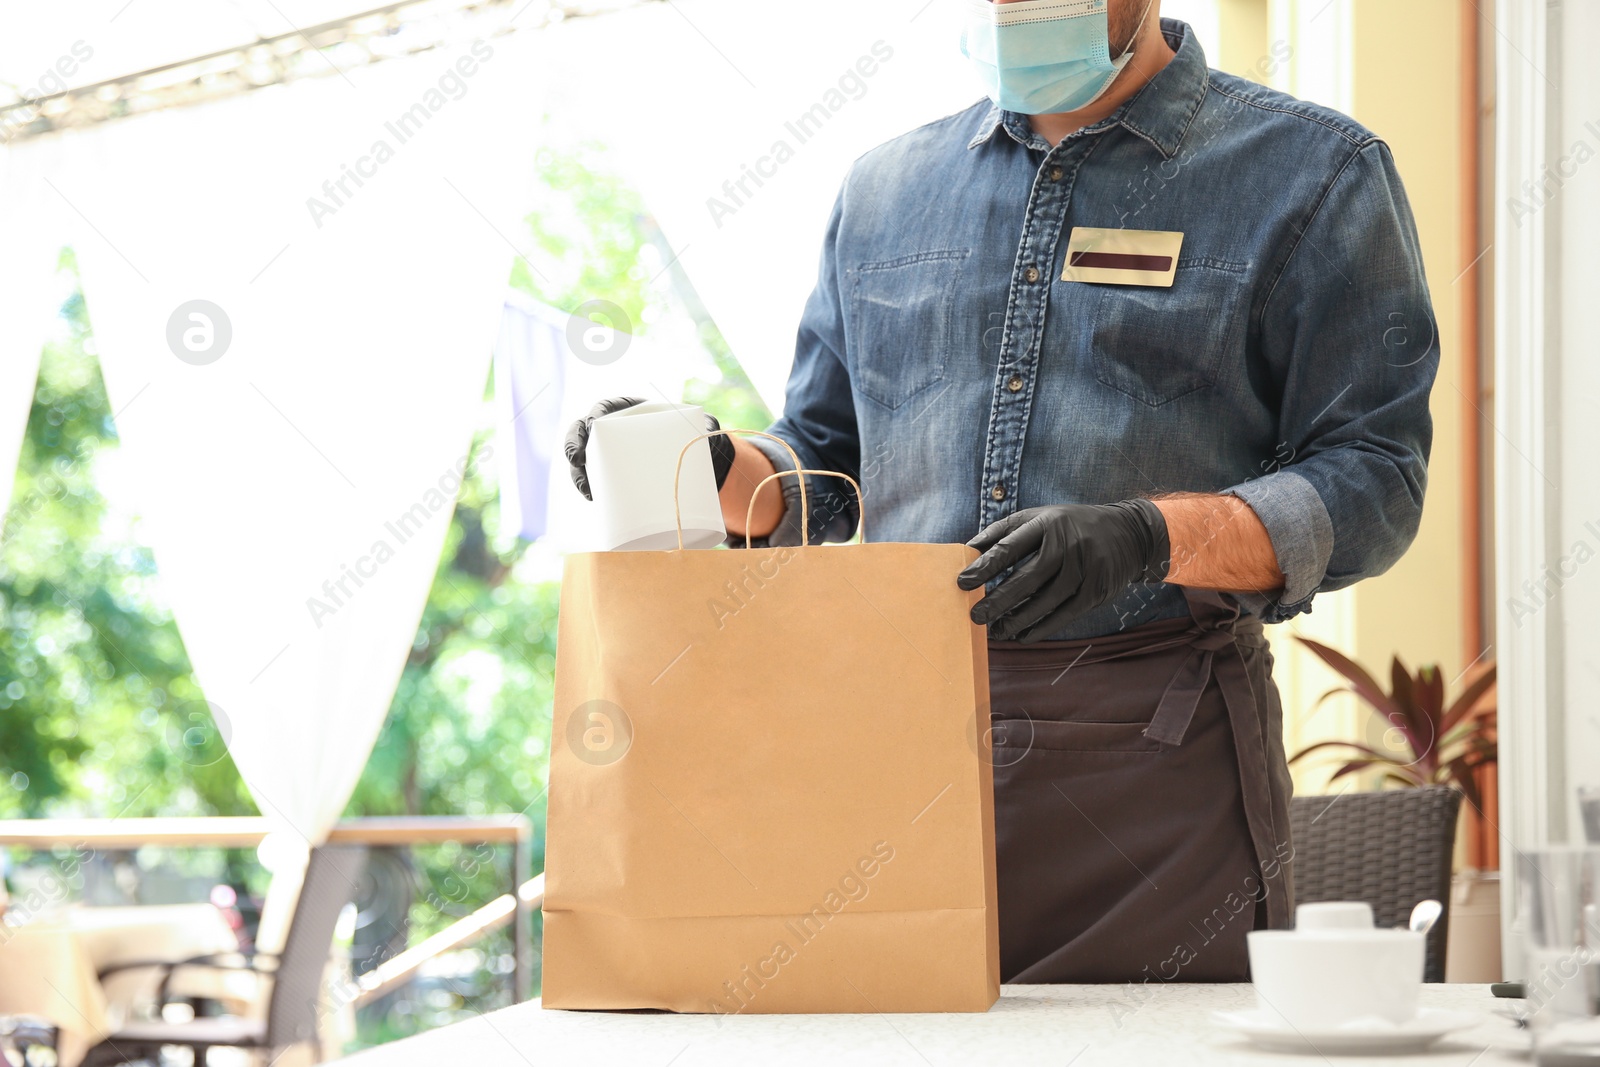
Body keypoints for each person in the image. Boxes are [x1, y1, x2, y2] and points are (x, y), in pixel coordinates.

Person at [565, 0, 1436, 983]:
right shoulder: (883, 191)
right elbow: (826, 470)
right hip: (886, 753)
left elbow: (1375, 479)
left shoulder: (1312, 174)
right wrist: (704, 461)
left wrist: (1151, 536)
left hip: (1152, 767)